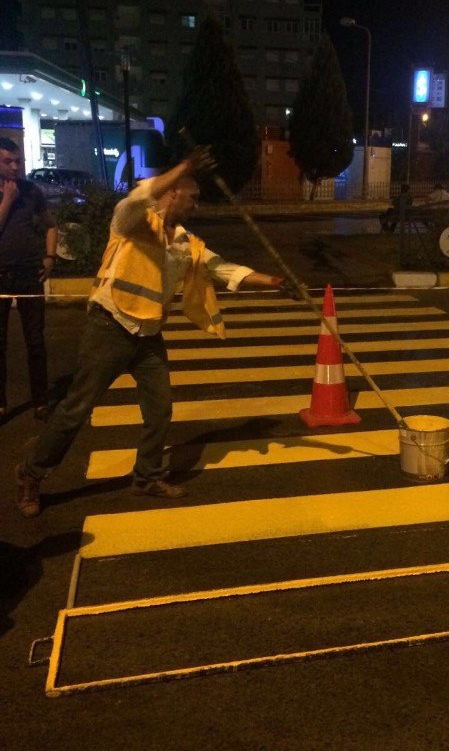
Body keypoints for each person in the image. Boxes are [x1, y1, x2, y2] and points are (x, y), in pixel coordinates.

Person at [16, 149, 288, 517]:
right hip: (109, 327)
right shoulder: (132, 222)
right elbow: (139, 196)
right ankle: (32, 473)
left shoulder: (185, 243)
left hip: (148, 335)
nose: (195, 206)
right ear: (173, 192)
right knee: (75, 410)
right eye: (191, 197)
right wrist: (185, 167)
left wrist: (272, 281)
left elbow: (225, 269)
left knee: (159, 411)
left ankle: (146, 477)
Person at [0, 137, 58, 423]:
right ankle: (1, 403)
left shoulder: (32, 191)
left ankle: (41, 400)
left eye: (17, 161)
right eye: (7, 161)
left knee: (35, 341)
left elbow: (50, 226)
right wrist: (7, 200)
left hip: (29, 274)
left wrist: (50, 258)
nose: (14, 166)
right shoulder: (10, 194)